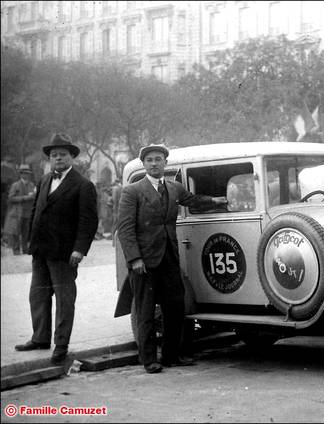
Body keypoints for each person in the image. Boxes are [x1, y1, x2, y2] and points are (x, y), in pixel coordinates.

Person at [117, 144, 226, 374]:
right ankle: (148, 360)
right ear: (144, 165)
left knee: (175, 308)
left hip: (169, 257)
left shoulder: (174, 187)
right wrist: (135, 259)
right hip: (144, 261)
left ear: (165, 163)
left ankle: (171, 356)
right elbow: (125, 229)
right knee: (145, 311)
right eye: (149, 160)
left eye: (158, 159)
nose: (154, 163)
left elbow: (194, 200)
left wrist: (218, 201)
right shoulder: (132, 191)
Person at [15, 133, 98, 363]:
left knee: (64, 298)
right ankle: (40, 337)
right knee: (38, 294)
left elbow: (88, 222)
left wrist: (79, 250)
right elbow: (35, 212)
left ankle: (61, 345)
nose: (58, 158)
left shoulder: (83, 185)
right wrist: (31, 241)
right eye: (54, 155)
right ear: (49, 159)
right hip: (41, 250)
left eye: (62, 154)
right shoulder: (43, 180)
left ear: (72, 157)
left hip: (64, 253)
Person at [3, 164, 36, 255]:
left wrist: (34, 196)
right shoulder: (15, 185)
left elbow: (34, 197)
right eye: (24, 173)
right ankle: (16, 250)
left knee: (26, 232)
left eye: (28, 173)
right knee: (16, 232)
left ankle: (25, 249)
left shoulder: (32, 185)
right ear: (20, 174)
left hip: (28, 212)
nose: (26, 175)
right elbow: (10, 198)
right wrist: (26, 197)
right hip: (18, 212)